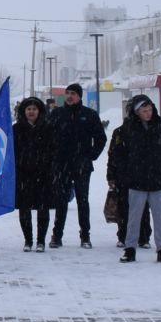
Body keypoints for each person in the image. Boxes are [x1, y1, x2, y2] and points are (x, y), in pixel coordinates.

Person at [108, 94, 161, 264]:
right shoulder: (127, 130)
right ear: (136, 112)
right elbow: (119, 155)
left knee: (159, 217)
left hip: (157, 181)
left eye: (150, 109)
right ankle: (130, 248)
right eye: (144, 110)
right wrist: (128, 172)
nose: (148, 113)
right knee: (133, 217)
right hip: (136, 182)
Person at [49, 83, 106, 249]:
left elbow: (101, 138)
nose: (69, 96)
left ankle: (85, 236)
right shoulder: (57, 114)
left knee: (83, 200)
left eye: (73, 93)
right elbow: (46, 136)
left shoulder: (89, 115)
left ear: (79, 96)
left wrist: (92, 155)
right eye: (67, 93)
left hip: (82, 164)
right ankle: (57, 235)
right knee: (61, 201)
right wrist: (53, 156)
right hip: (61, 164)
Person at [12, 96, 57, 251]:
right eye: (28, 109)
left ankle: (41, 241)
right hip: (23, 174)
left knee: (42, 208)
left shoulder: (48, 128)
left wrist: (49, 166)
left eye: (34, 109)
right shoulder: (16, 129)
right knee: (24, 209)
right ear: (23, 111)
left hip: (43, 174)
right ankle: (28, 240)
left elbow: (54, 151)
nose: (31, 112)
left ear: (40, 111)